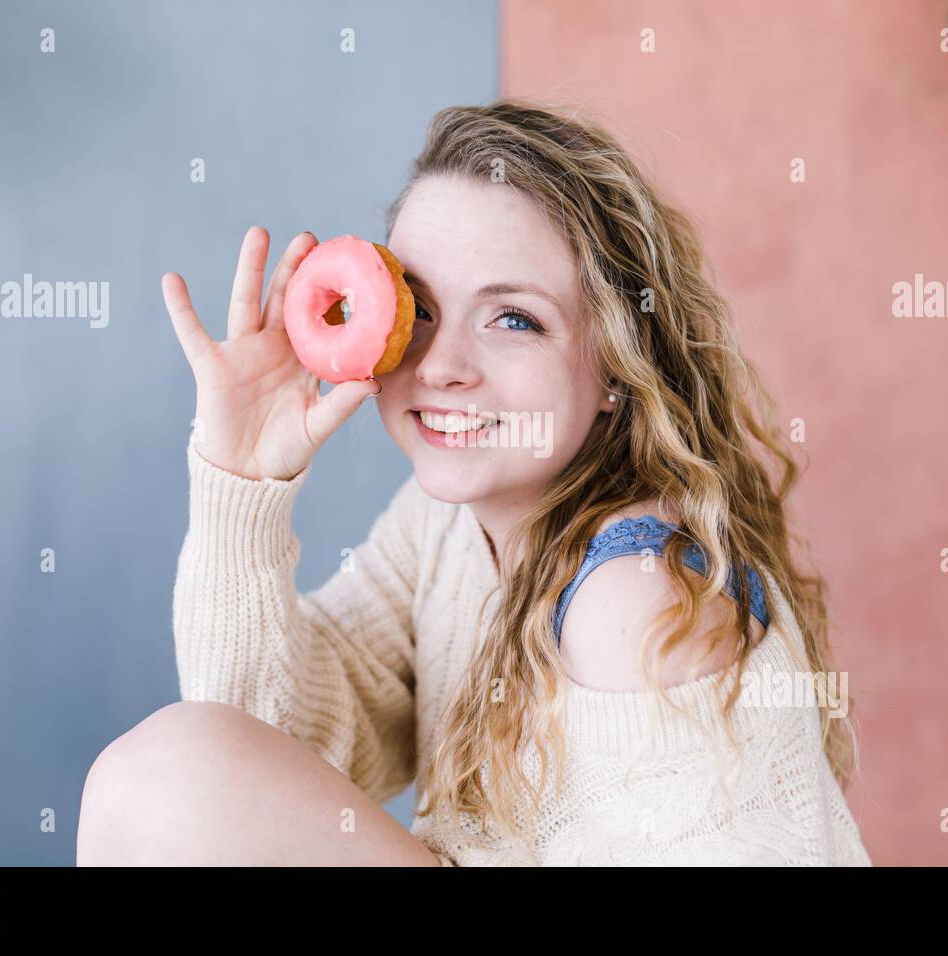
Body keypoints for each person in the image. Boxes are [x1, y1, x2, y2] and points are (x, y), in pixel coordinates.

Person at [77, 98, 872, 866]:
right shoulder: (443, 524)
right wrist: (241, 486)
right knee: (160, 776)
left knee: (164, 774)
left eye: (514, 319)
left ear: (616, 368)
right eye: (417, 310)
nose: (444, 366)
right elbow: (253, 764)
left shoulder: (637, 596)